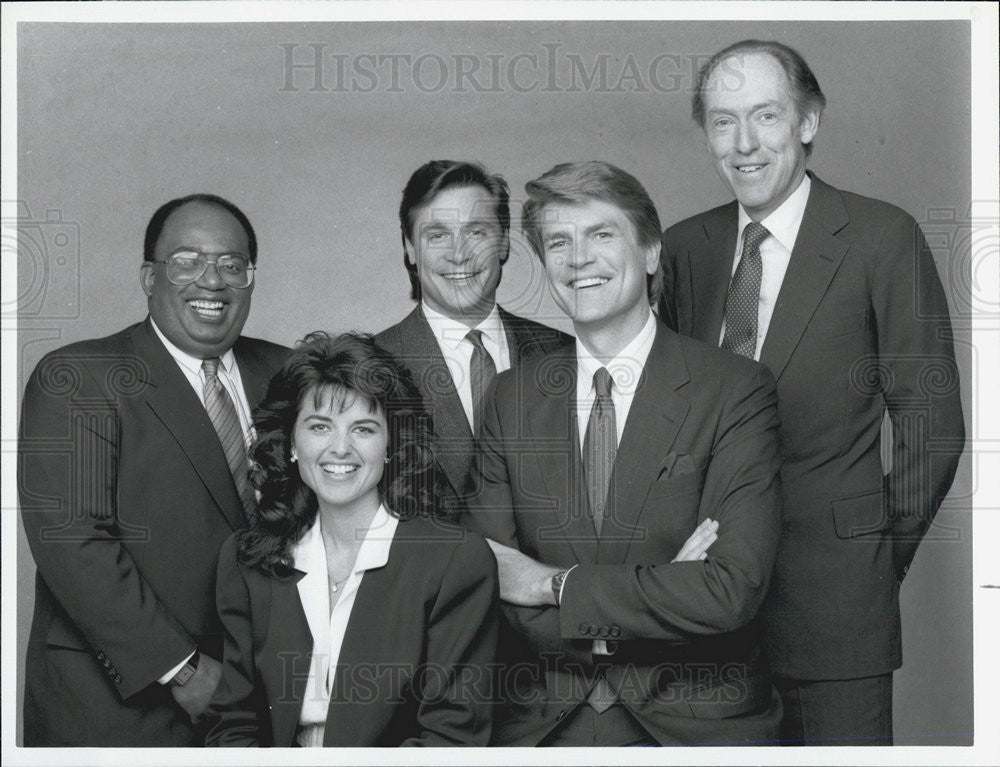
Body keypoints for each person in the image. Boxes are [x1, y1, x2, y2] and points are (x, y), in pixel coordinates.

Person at [658, 39, 965, 745]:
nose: (743, 144)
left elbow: (934, 427)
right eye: (722, 121)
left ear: (808, 122)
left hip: (836, 613)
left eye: (765, 116)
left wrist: (872, 556)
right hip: (704, 618)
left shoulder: (882, 237)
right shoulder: (684, 249)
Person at [463, 161, 783, 746]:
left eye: (601, 235)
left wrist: (553, 586)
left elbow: (728, 590)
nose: (578, 258)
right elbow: (489, 583)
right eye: (559, 242)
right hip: (542, 729)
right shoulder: (509, 398)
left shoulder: (734, 390)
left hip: (691, 726)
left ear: (653, 252)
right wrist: (663, 590)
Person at [19, 193, 288, 745]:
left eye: (232, 265)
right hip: (120, 703)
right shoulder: (79, 377)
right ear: (149, 277)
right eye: (187, 261)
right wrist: (182, 668)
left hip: (260, 696)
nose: (212, 282)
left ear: (251, 278)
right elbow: (75, 542)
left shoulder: (287, 374)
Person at [205, 332, 499, 747]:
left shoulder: (453, 561)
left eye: (363, 429)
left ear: (391, 444)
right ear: (291, 442)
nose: (339, 449)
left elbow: (452, 738)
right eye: (319, 426)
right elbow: (233, 725)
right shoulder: (248, 560)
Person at [376, 160, 572, 515]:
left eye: (476, 232)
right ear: (409, 249)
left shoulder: (565, 353)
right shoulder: (371, 365)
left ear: (503, 243)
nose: (459, 253)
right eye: (437, 235)